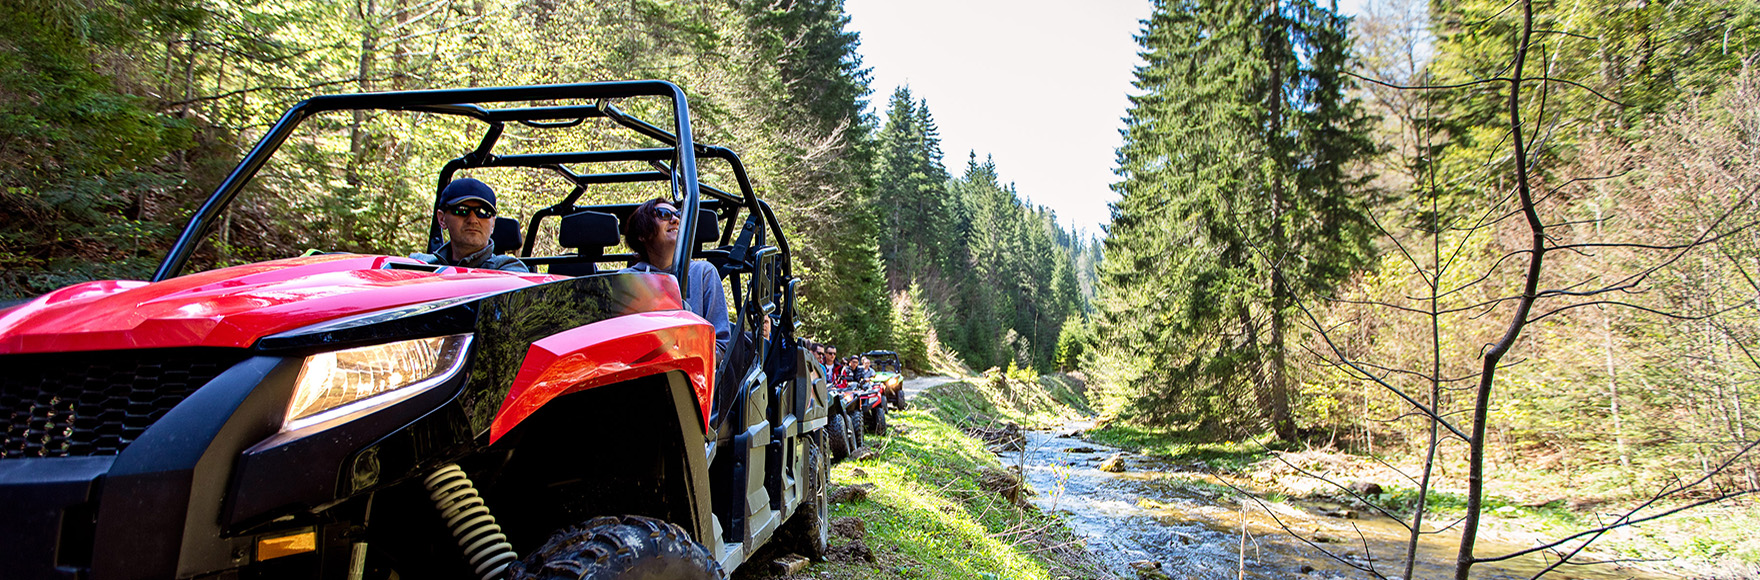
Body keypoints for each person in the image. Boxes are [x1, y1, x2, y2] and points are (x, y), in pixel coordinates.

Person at [622, 198, 730, 359]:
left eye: (678, 215)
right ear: (642, 234)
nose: (675, 220)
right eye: (664, 215)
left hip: (690, 373)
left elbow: (721, 346)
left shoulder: (702, 273)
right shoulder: (625, 281)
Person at [410, 178, 528, 272]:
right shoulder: (419, 265)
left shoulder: (510, 271)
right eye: (461, 210)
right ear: (442, 219)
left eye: (483, 213)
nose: (472, 220)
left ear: (493, 224)